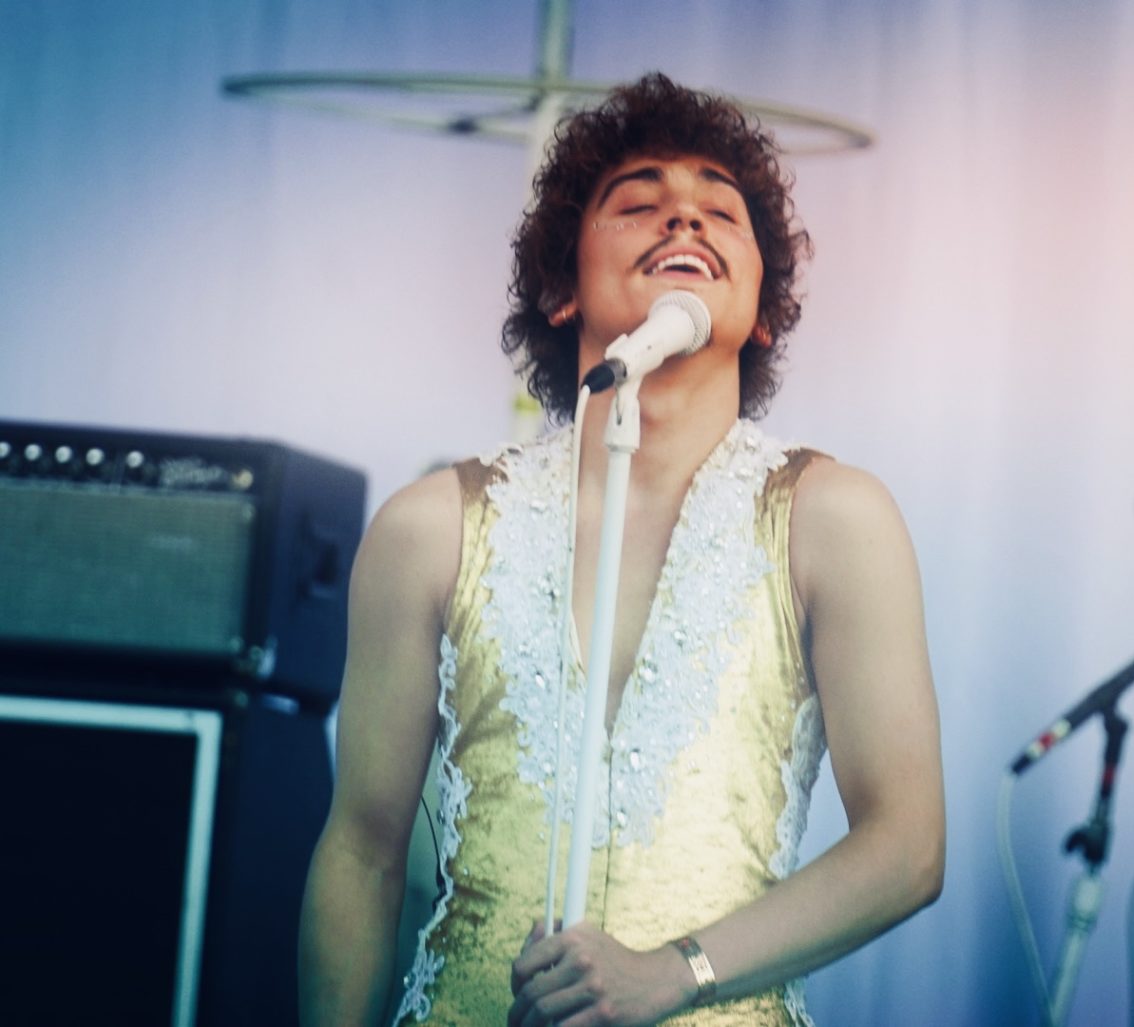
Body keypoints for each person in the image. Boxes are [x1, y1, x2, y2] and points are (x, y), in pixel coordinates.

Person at [298, 72, 944, 1027]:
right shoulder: (432, 526)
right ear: (560, 289)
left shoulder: (833, 515)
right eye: (639, 204)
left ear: (763, 307)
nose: (685, 217)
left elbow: (909, 847)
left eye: (721, 211)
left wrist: (676, 971)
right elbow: (361, 850)